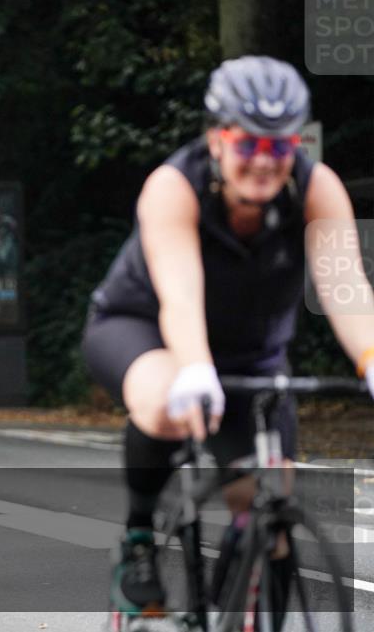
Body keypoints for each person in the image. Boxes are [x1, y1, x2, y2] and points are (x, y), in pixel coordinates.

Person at [81, 56, 374, 614]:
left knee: (271, 514)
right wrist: (194, 366)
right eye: (248, 145)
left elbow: (345, 288)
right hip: (144, 328)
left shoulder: (317, 189)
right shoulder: (173, 187)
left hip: (251, 353)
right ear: (217, 138)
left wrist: (370, 356)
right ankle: (139, 537)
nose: (264, 163)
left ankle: (239, 585)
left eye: (280, 147)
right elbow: (180, 291)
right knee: (170, 403)